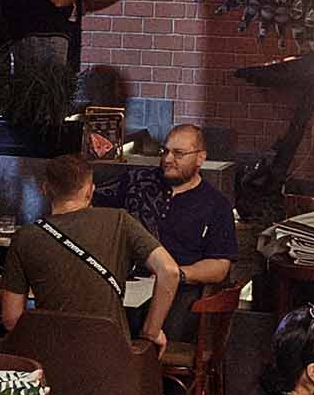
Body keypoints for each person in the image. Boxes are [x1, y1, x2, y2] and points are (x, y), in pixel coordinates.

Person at [2, 154, 177, 395]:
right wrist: (151, 331)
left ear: (45, 189)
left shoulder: (25, 237)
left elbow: (11, 320)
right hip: (108, 368)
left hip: (49, 374)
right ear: (90, 190)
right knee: (134, 370)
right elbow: (169, 271)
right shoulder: (119, 221)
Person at [96, 120, 237, 343]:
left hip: (180, 289)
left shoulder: (216, 205)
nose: (168, 159)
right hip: (125, 280)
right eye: (165, 151)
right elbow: (93, 205)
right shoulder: (135, 182)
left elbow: (220, 266)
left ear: (200, 158)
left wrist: (175, 274)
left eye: (178, 154)